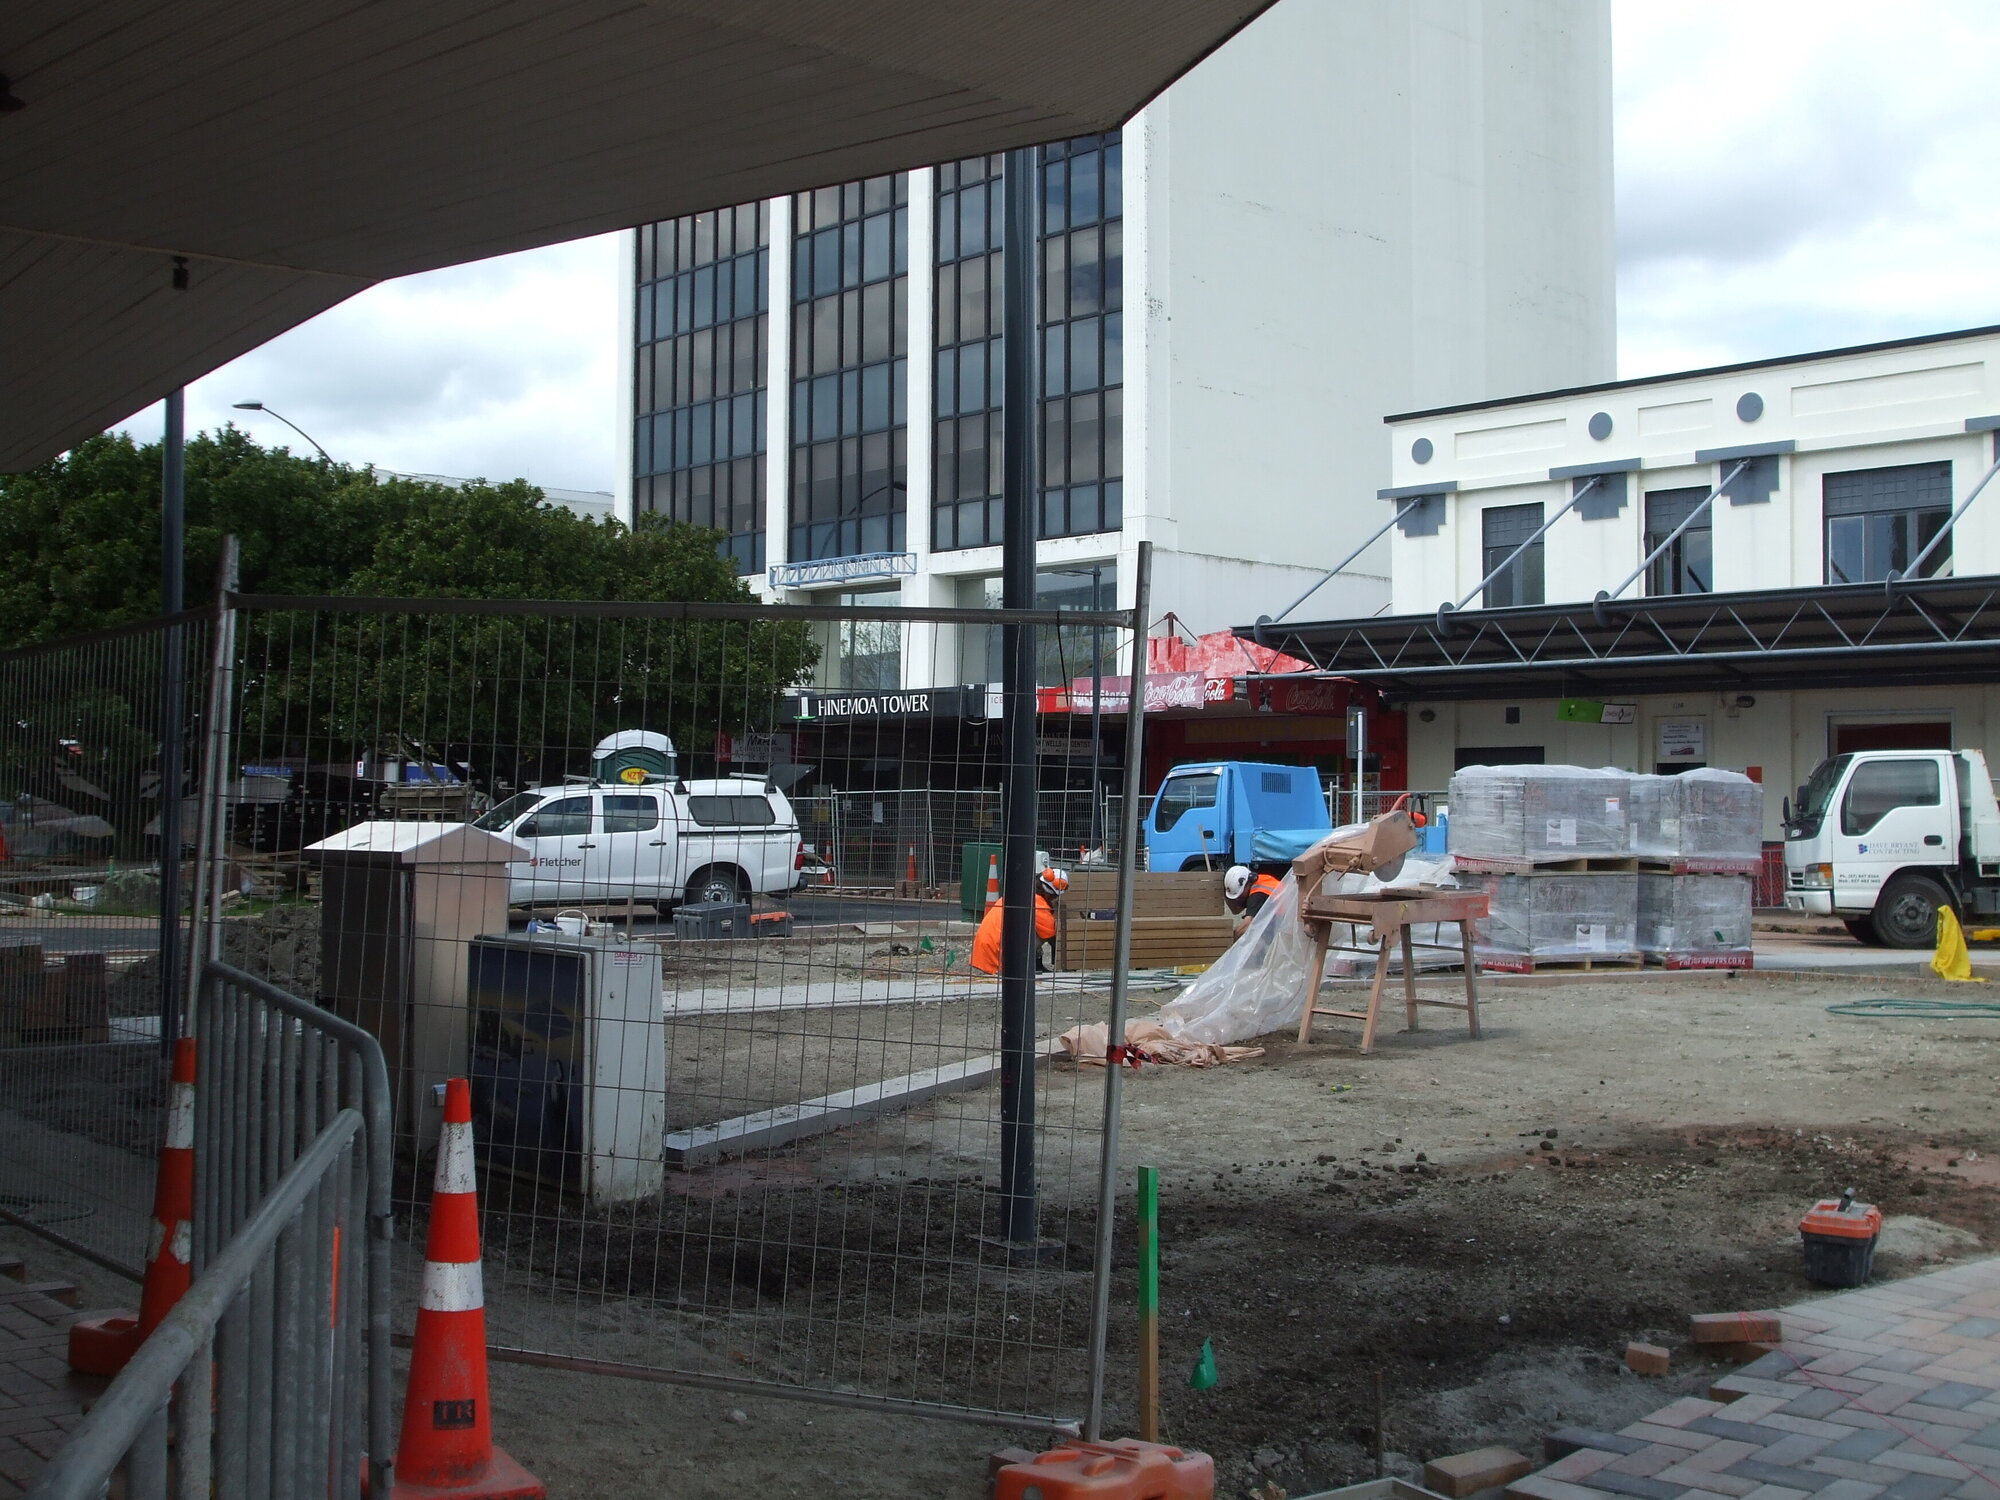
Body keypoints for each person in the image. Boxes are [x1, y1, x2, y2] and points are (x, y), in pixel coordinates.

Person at [970, 867, 1067, 974]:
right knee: (1045, 931)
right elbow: (1052, 936)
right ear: (1052, 894)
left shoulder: (1021, 895)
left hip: (984, 953)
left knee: (1034, 927)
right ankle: (1025, 966)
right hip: (997, 958)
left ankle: (1035, 965)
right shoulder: (1038, 905)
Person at [1222, 863, 1284, 939]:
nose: (1238, 899)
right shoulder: (1260, 879)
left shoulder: (1257, 895)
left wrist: (1231, 942)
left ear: (1248, 884)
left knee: (1255, 935)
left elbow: (1247, 925)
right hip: (1283, 915)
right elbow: (1236, 911)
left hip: (1287, 920)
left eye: (1240, 895)